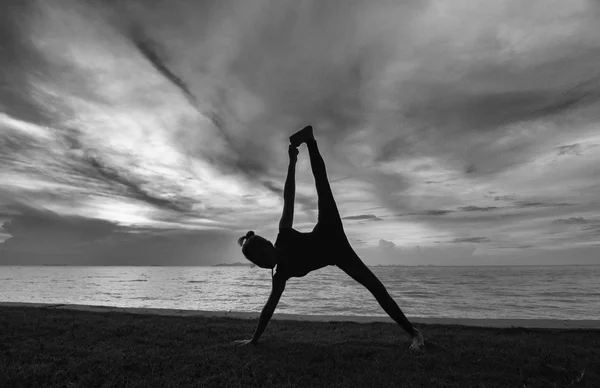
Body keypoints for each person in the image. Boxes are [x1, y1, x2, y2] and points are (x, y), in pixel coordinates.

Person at [232, 125, 424, 352]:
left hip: (329, 229)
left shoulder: (283, 234)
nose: (265, 262)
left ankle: (310, 140)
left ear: (266, 244)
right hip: (339, 254)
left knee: (321, 183)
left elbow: (289, 196)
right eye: (261, 262)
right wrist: (254, 340)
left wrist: (292, 163)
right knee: (374, 287)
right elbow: (269, 308)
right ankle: (415, 333)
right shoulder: (280, 275)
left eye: (263, 253)